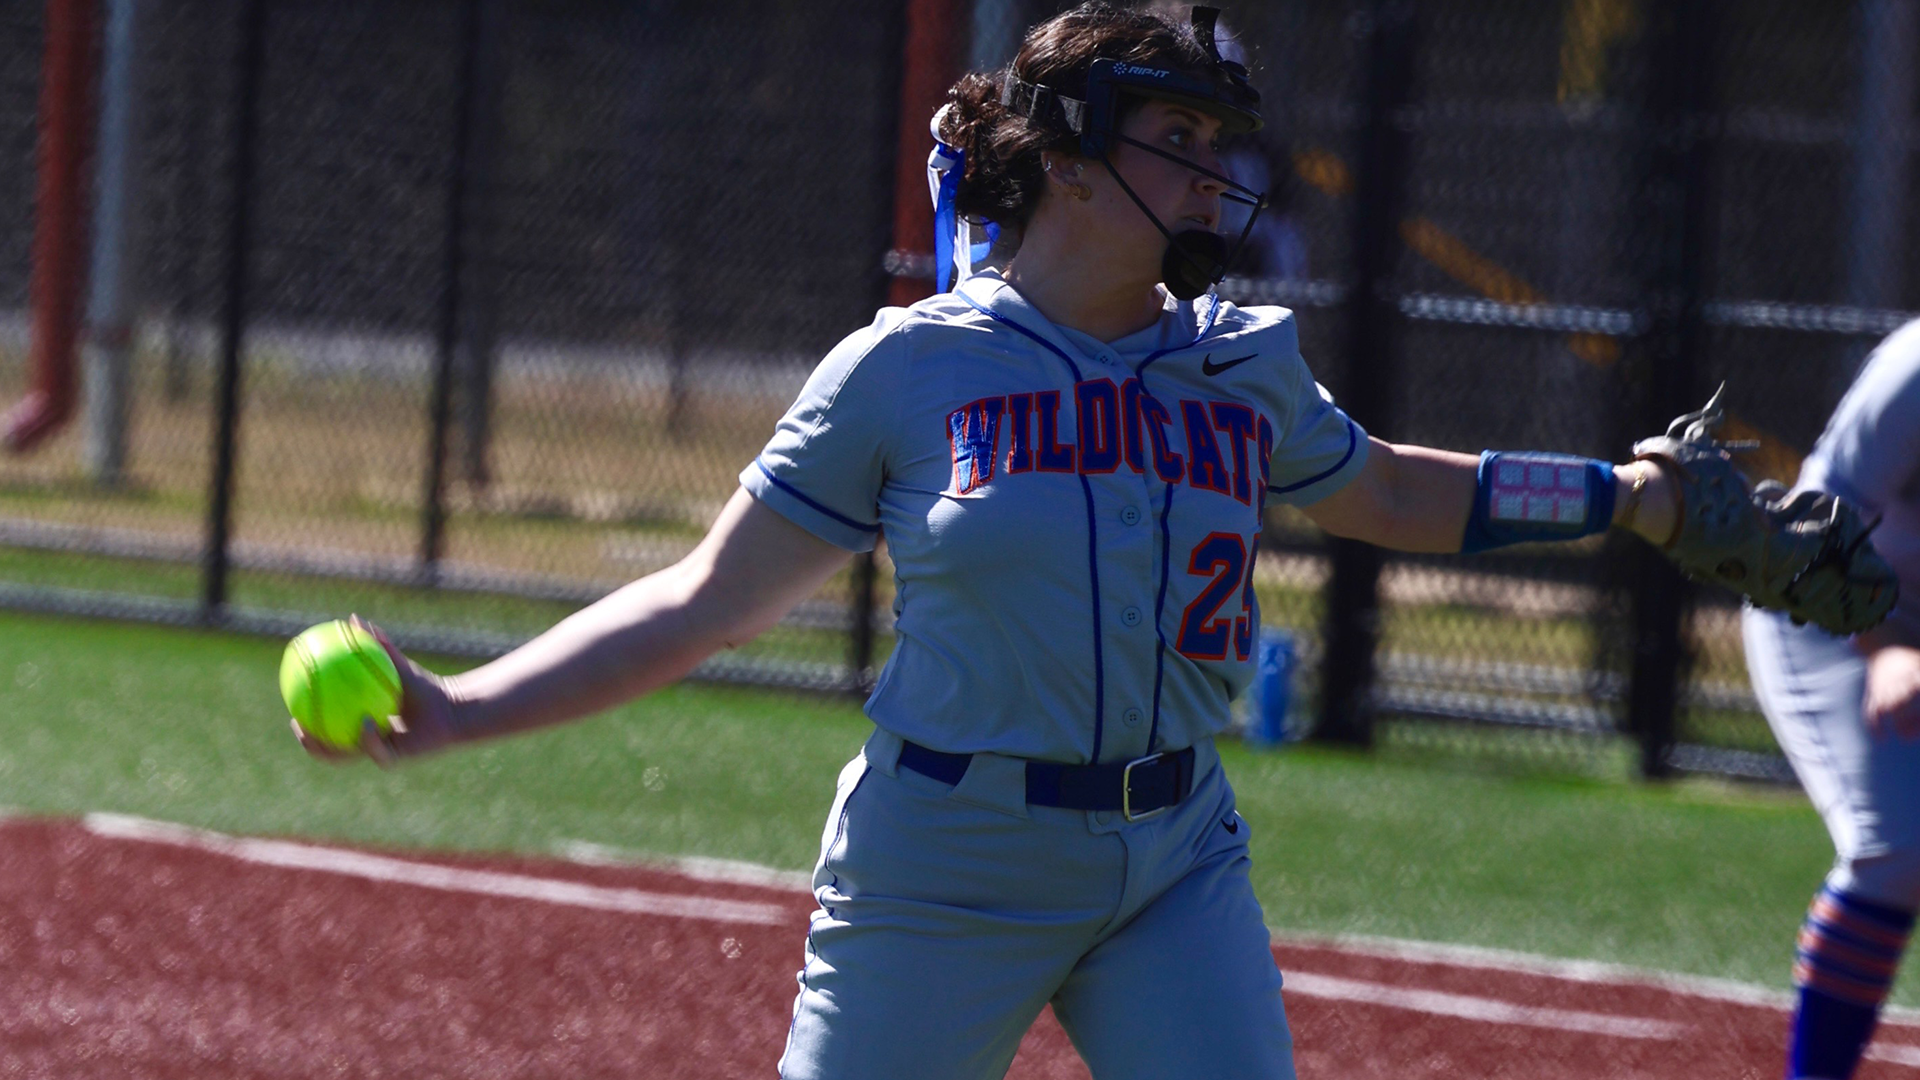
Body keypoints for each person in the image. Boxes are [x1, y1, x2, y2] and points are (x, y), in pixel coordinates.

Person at [295, 6, 1694, 1077]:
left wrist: (1633, 496)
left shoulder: (1239, 361)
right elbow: (703, 601)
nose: (1218, 176)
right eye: (1181, 140)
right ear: (1073, 157)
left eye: (1222, 145)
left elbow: (1393, 496)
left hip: (1174, 855)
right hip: (944, 857)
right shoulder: (905, 370)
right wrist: (465, 708)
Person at [1743, 322, 1920, 1080]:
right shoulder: (1915, 368)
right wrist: (1884, 648)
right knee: (1900, 852)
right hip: (1827, 609)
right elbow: (1814, 524)